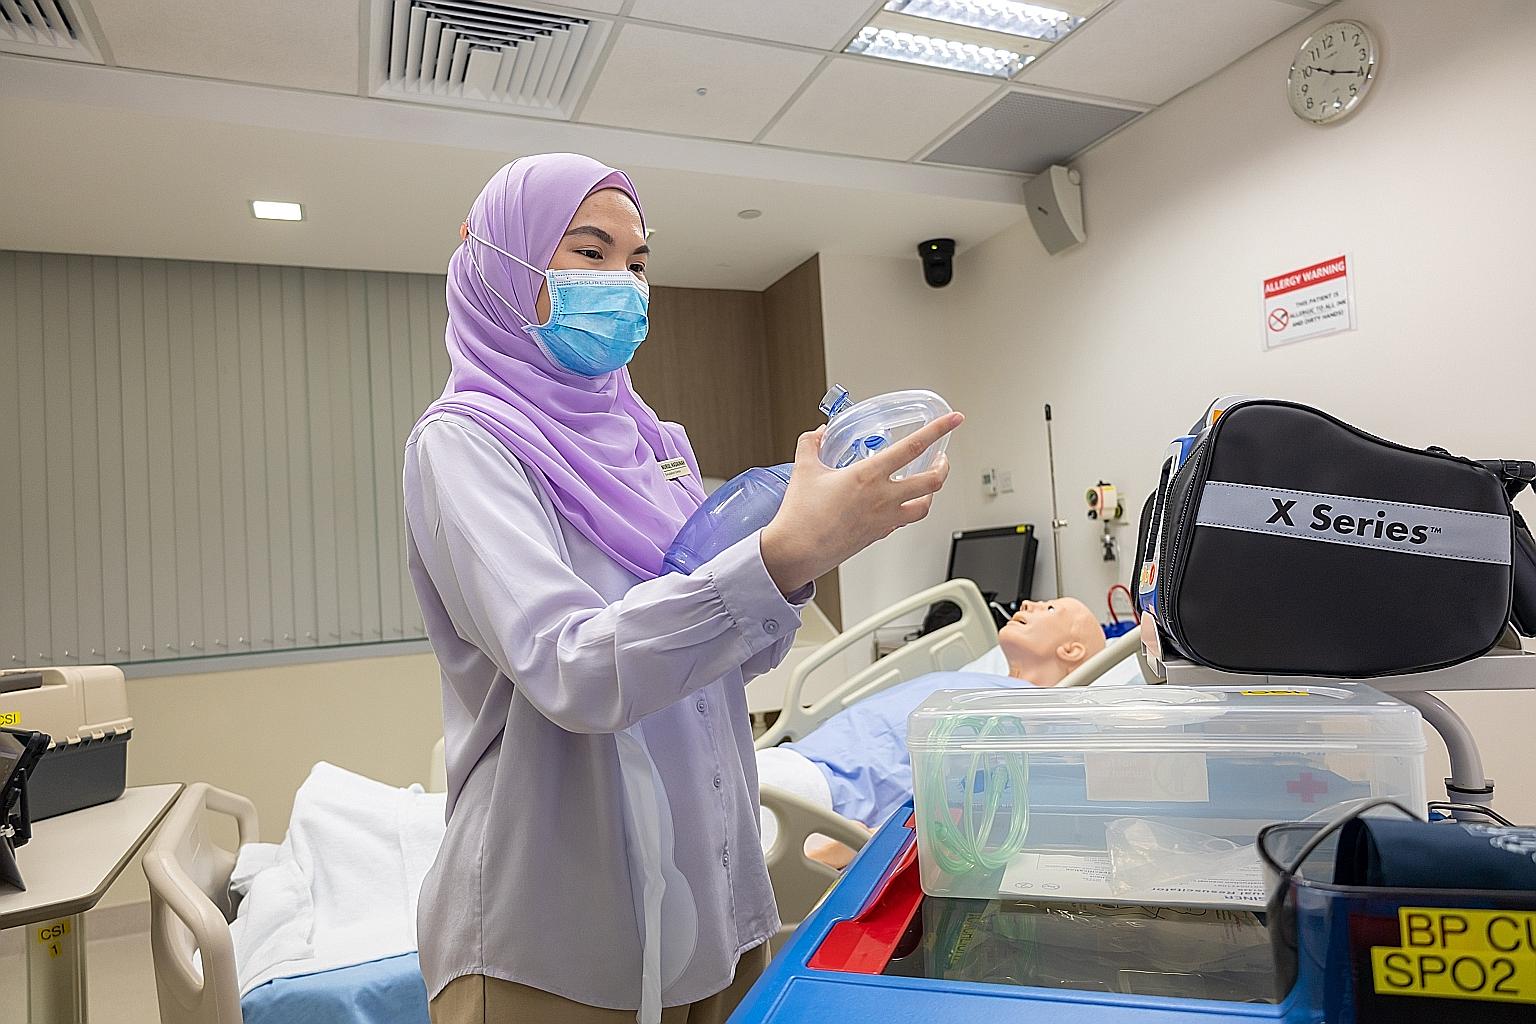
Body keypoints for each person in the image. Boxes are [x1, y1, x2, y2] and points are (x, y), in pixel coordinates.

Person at [402, 153, 962, 1024]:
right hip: (560, 930)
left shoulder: (652, 440)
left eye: (636, 263)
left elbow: (734, 652)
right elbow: (573, 668)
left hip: (715, 895)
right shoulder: (466, 444)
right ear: (494, 264)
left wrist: (807, 553)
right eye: (589, 254)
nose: (621, 285)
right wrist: (773, 561)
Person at [757, 598, 1107, 859]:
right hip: (792, 765)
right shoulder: (983, 683)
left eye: (1049, 610)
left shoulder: (1035, 715)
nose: (1030, 603)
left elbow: (962, 802)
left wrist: (865, 843)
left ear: (1072, 650)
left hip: (814, 797)